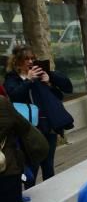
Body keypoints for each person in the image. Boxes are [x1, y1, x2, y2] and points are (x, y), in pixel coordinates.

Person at [4, 45, 74, 186]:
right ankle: (32, 196)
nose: (30, 62)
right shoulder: (12, 78)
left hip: (48, 126)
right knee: (33, 166)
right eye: (26, 59)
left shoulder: (41, 74)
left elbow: (66, 89)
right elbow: (14, 96)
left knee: (48, 165)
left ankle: (50, 194)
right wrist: (28, 81)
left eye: (32, 58)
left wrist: (50, 79)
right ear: (17, 61)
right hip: (29, 129)